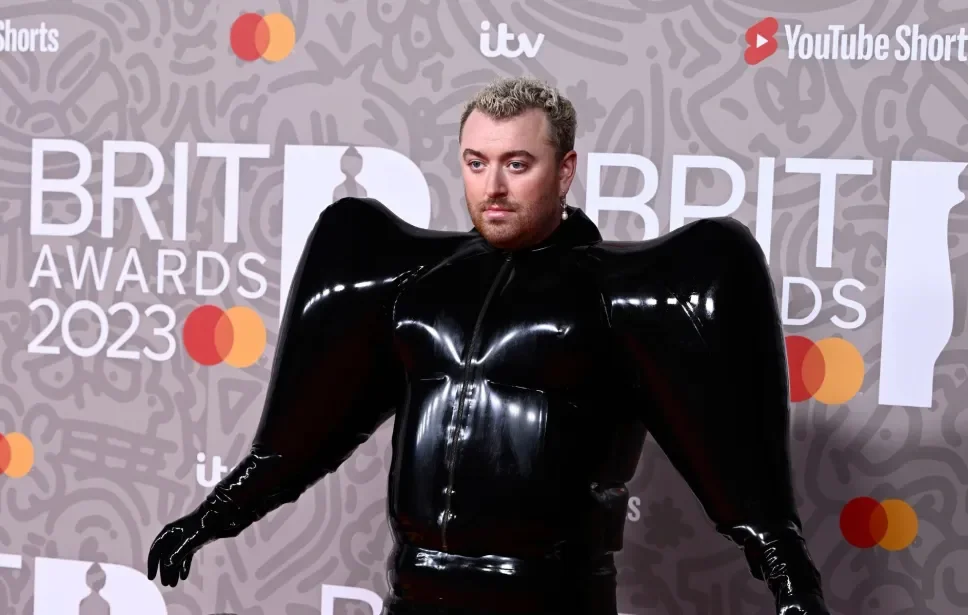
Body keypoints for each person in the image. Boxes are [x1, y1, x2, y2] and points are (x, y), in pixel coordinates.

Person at [147, 76, 831, 615]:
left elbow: (733, 464)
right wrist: (212, 516)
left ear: (565, 169)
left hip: (553, 599)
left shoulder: (620, 295)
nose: (493, 187)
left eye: (517, 164)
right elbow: (304, 433)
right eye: (476, 162)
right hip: (416, 595)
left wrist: (788, 573)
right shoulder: (411, 283)